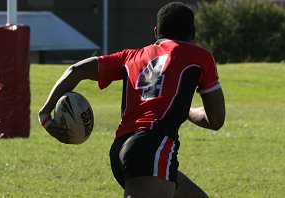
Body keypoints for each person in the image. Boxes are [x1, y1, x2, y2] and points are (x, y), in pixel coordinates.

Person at [38, 2, 225, 198]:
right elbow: (215, 120)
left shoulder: (130, 56)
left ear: (156, 32)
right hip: (153, 144)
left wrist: (45, 114)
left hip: (122, 148)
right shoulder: (200, 57)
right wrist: (185, 108)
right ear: (193, 34)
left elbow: (76, 70)